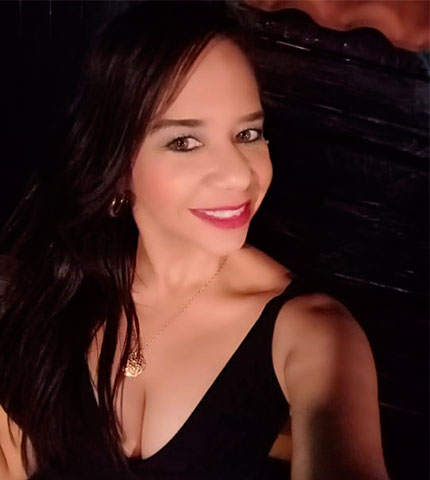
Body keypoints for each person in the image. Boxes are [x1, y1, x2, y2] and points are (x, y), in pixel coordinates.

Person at [0, 2, 390, 479]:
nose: (239, 175)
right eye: (184, 142)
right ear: (118, 166)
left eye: (248, 133)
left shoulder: (315, 333)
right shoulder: (52, 289)